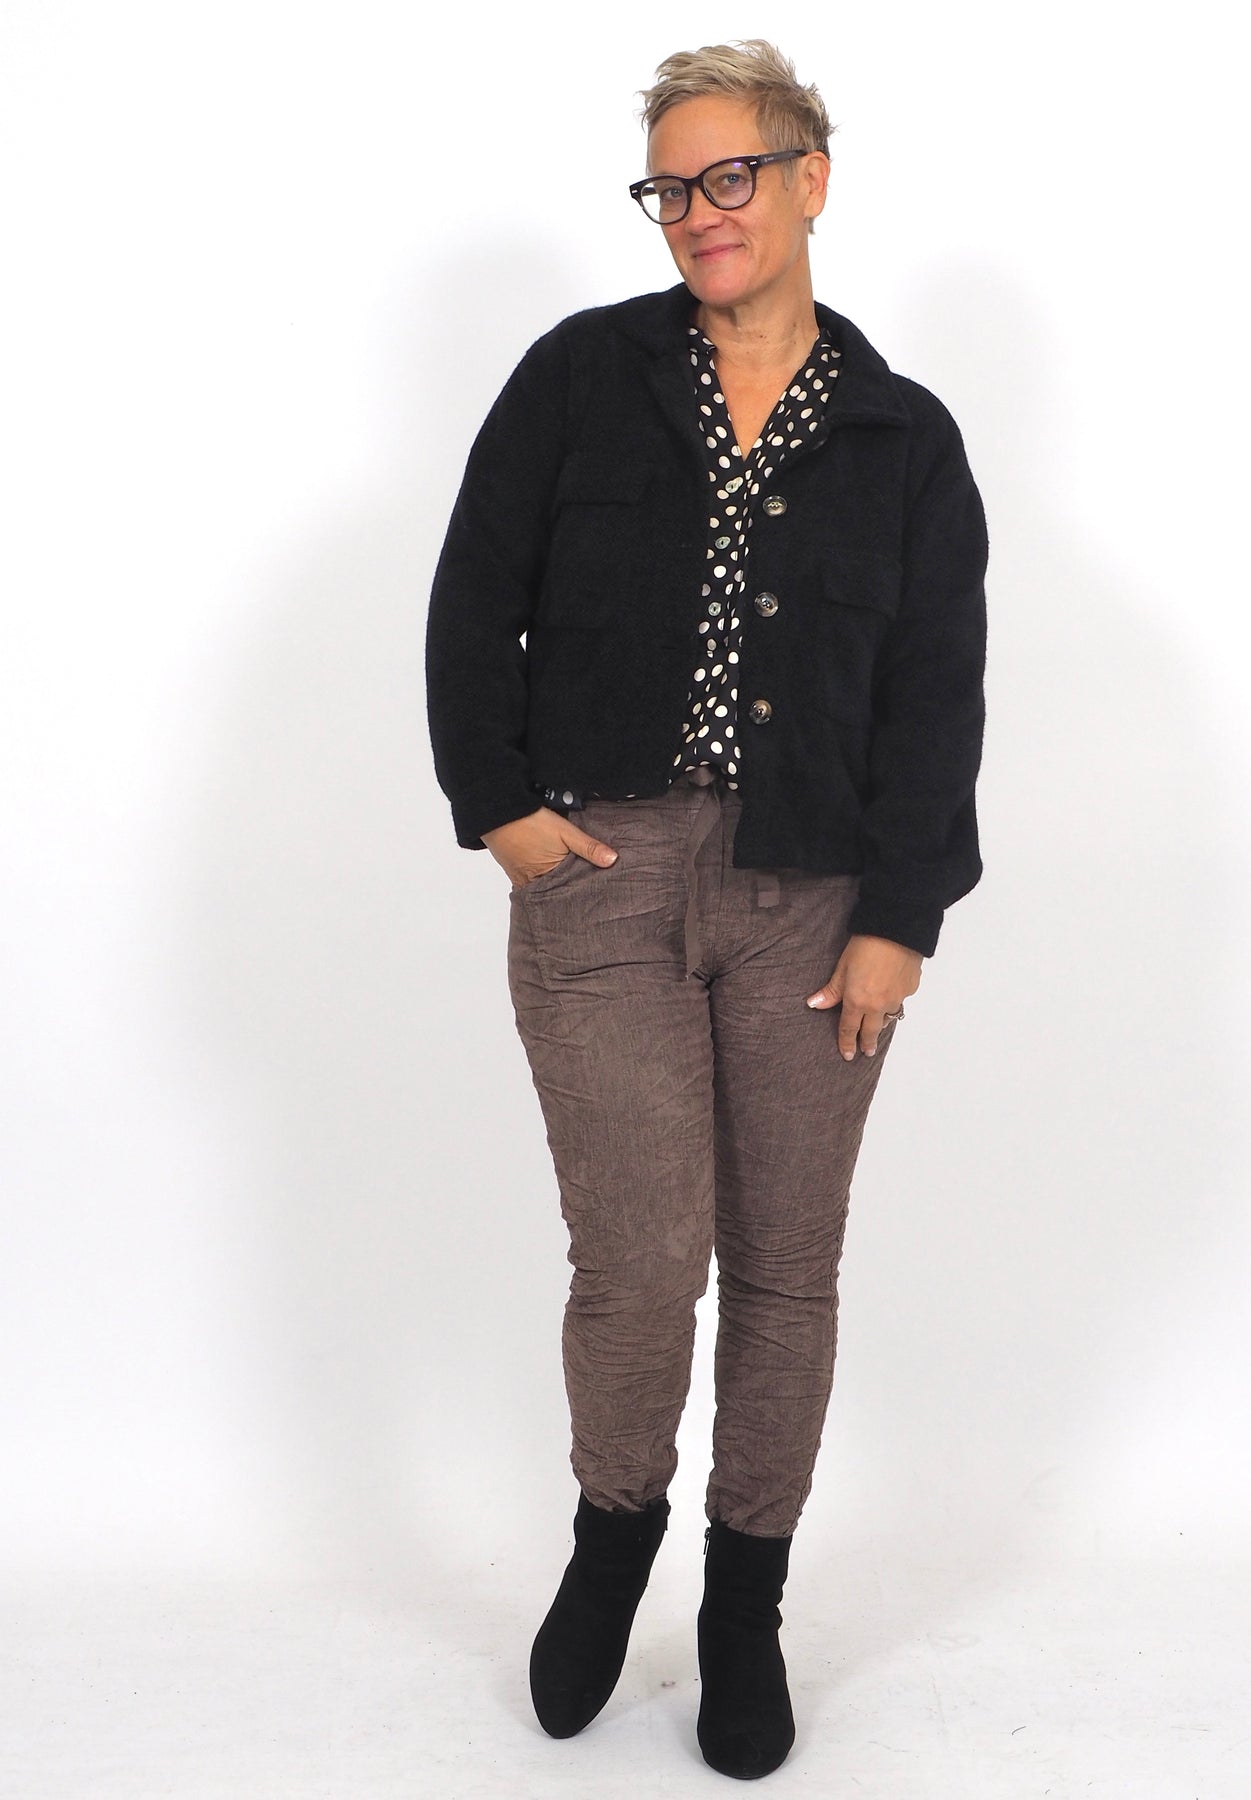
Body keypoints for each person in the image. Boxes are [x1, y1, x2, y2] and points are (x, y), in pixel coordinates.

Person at [426, 39, 987, 1781]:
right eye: (669, 187)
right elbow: (472, 598)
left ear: (810, 178)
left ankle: (744, 1608)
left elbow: (934, 696)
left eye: (727, 175)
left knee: (787, 1269)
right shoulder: (578, 377)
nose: (697, 212)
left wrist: (900, 917)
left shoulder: (903, 438)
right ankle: (612, 1545)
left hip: (816, 898)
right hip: (599, 878)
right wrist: (503, 811)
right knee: (641, 1257)